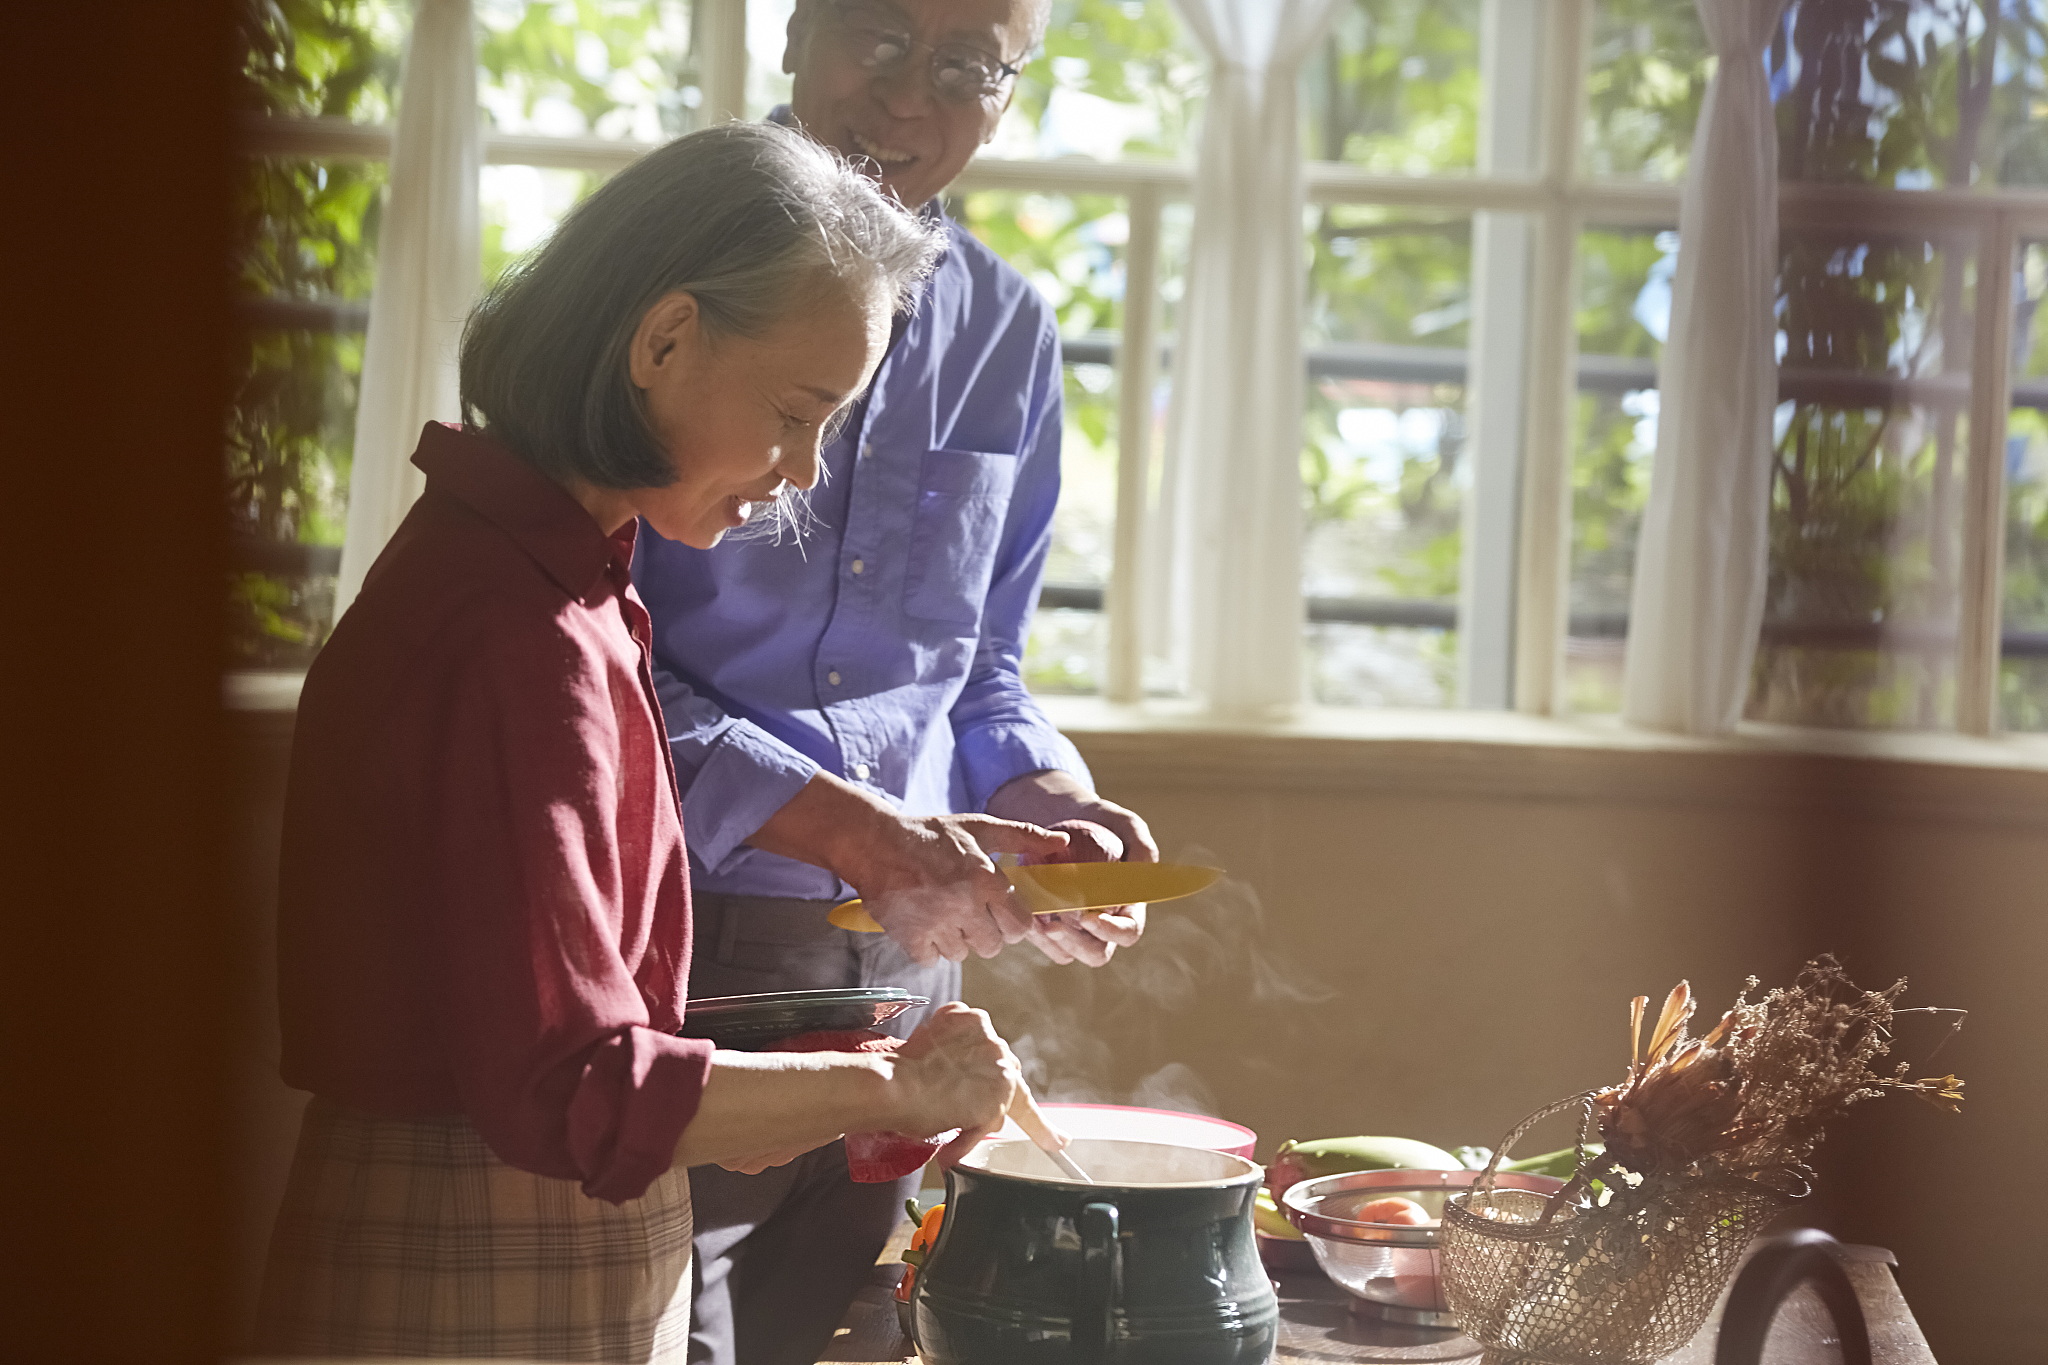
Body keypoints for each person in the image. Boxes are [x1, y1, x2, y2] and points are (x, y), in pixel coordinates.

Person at [253, 122, 1047, 1364]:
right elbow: (575, 1087)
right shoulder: (519, 634)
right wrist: (892, 1094)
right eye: (798, 412)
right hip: (472, 1258)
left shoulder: (557, 581)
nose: (802, 470)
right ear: (664, 338)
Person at [629, 3, 1159, 1362]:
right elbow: (588, 668)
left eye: (965, 67)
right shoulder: (649, 278)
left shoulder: (1008, 332)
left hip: (912, 977)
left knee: (847, 1342)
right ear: (798, 30)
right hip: (677, 947)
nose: (908, 102)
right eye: (879, 36)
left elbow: (980, 671)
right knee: (663, 1338)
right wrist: (851, 826)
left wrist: (1045, 791)